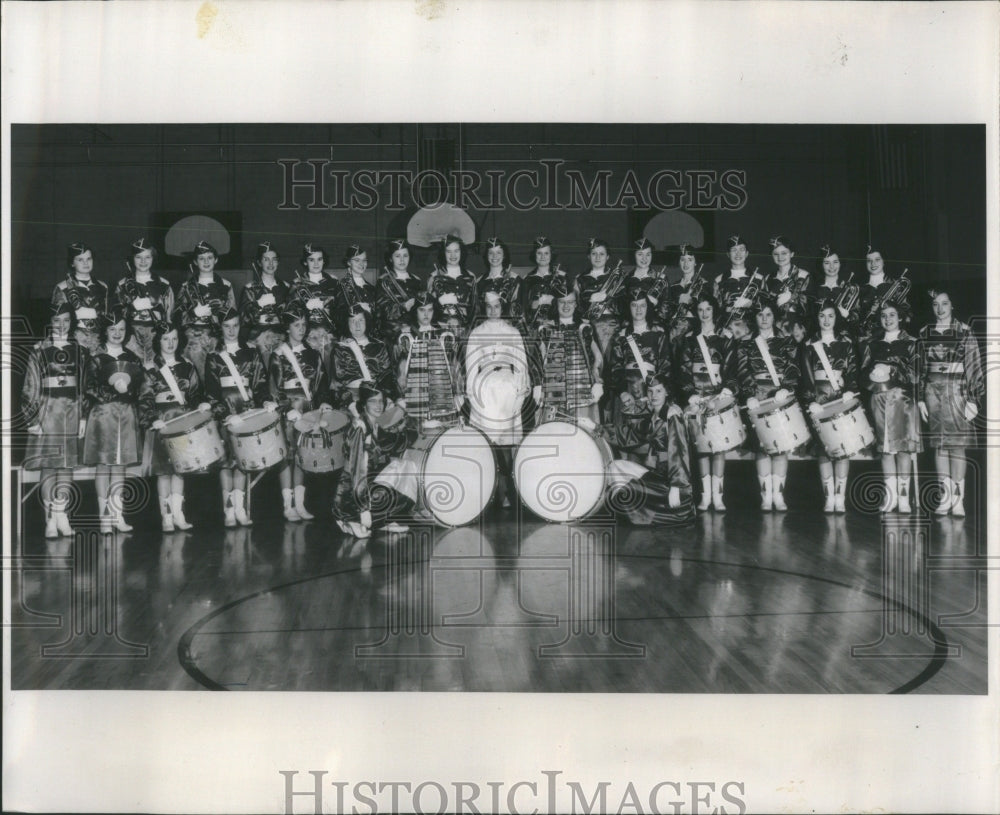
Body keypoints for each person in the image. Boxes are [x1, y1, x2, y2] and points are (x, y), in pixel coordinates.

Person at [461, 289, 540, 508]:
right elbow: (471, 365)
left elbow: (521, 364)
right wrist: (472, 394)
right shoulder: (477, 333)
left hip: (507, 390)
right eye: (489, 307)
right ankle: (491, 493)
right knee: (487, 443)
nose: (493, 311)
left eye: (497, 306)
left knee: (506, 443)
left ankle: (512, 490)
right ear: (483, 308)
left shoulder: (512, 332)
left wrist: (521, 391)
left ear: (502, 308)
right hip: (485, 389)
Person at [22, 302, 89, 538]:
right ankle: (49, 519)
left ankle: (62, 515)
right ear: (50, 324)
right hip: (48, 412)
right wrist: (33, 418)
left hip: (71, 412)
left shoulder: (79, 350)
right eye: (57, 321)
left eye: (66, 321)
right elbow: (30, 385)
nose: (62, 325)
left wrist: (83, 417)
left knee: (67, 466)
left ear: (72, 323)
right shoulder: (39, 349)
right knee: (49, 466)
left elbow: (84, 386)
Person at [204, 308, 275, 527]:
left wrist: (265, 401)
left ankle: (240, 507)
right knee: (227, 462)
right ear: (221, 328)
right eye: (227, 326)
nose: (232, 330)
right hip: (226, 413)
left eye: (235, 325)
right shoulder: (213, 357)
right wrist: (225, 414)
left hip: (247, 411)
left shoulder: (251, 353)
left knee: (243, 461)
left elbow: (261, 383)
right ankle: (228, 510)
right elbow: (211, 393)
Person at [917, 289, 983, 516]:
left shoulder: (964, 331)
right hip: (932, 393)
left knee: (958, 446)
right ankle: (944, 498)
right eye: (936, 304)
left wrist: (974, 399)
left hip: (957, 391)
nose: (940, 308)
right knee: (940, 446)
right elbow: (919, 367)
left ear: (952, 305)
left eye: (945, 303)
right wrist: (919, 399)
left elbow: (974, 365)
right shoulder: (925, 332)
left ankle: (958, 500)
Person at [138, 323, 209, 531]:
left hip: (182, 420)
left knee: (180, 470)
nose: (170, 343)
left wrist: (201, 404)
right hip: (162, 421)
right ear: (158, 341)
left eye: (174, 339)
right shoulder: (150, 368)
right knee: (163, 472)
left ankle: (178, 514)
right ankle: (166, 516)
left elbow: (195, 393)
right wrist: (152, 419)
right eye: (166, 339)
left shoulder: (187, 365)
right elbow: (144, 399)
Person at [81, 306, 146, 532]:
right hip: (103, 414)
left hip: (126, 414)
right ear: (105, 331)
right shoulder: (97, 358)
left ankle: (118, 515)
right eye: (112, 329)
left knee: (120, 466)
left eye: (121, 329)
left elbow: (140, 388)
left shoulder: (132, 358)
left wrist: (129, 394)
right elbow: (88, 388)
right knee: (103, 465)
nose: (117, 333)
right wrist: (113, 392)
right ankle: (104, 517)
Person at [732, 303, 801, 511]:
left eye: (768, 314)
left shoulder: (786, 341)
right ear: (755, 318)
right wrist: (750, 394)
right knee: (762, 449)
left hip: (780, 397)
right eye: (760, 315)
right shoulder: (746, 343)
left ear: (774, 317)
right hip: (758, 397)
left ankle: (778, 495)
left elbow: (793, 367)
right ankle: (765, 496)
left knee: (780, 448)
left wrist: (787, 387)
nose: (764, 318)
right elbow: (743, 371)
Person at [269, 304, 334, 522]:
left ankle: (300, 503)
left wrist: (324, 402)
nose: (302, 329)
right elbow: (273, 391)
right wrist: (287, 410)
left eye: (304, 325)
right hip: (288, 412)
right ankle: (288, 505)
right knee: (287, 457)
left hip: (308, 410)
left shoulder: (313, 354)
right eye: (297, 325)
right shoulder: (278, 355)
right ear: (287, 328)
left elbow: (321, 385)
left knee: (302, 457)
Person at [607, 374, 695, 526]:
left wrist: (676, 485)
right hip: (657, 475)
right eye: (650, 391)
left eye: (659, 391)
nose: (654, 395)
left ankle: (639, 511)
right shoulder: (653, 415)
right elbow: (628, 435)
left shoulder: (672, 415)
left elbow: (679, 452)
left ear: (667, 392)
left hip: (671, 482)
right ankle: (630, 508)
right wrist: (595, 427)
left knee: (628, 491)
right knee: (615, 466)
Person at [799, 303, 862, 513]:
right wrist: (811, 401)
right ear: (817, 318)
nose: (826, 320)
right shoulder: (809, 345)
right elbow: (806, 377)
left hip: (841, 398)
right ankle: (828, 498)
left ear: (836, 318)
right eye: (822, 316)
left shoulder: (846, 344)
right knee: (824, 449)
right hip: (819, 399)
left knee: (842, 449)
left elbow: (852, 370)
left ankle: (840, 497)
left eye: (830, 316)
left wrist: (850, 389)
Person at [676, 295, 737, 512]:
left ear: (714, 311)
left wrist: (728, 389)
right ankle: (705, 495)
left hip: (717, 397)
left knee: (718, 448)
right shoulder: (689, 338)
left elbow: (731, 367)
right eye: (700, 309)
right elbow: (683, 370)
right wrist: (690, 393)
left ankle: (718, 496)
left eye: (708, 309)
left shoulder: (725, 338)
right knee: (702, 448)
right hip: (697, 398)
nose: (704, 313)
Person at [333, 382, 418, 538]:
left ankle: (380, 522)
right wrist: (363, 508)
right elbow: (357, 471)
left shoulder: (377, 424)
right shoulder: (360, 428)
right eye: (373, 401)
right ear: (364, 404)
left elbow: (398, 445)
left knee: (406, 467)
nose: (378, 405)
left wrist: (403, 418)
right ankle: (350, 520)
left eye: (381, 400)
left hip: (370, 488)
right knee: (397, 479)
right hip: (352, 497)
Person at [860, 301, 921, 513]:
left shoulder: (912, 342)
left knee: (903, 449)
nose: (888, 319)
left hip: (902, 400)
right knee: (885, 450)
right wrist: (871, 374)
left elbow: (917, 375)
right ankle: (891, 496)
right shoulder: (872, 343)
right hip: (878, 399)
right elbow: (863, 373)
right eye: (884, 315)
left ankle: (904, 498)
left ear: (901, 317)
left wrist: (892, 371)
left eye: (892, 315)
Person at [604, 290, 672, 463]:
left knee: (651, 442)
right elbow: (615, 368)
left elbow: (665, 366)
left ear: (648, 308)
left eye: (642, 305)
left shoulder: (659, 335)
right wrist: (622, 392)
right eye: (634, 305)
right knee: (625, 441)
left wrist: (656, 393)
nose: (639, 310)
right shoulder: (621, 336)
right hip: (627, 393)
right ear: (629, 308)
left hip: (651, 393)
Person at [535, 278, 603, 425]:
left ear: (576, 304)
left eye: (570, 302)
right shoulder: (545, 329)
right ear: (556, 304)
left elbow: (597, 357)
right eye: (562, 302)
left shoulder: (585, 328)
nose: (566, 306)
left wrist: (597, 381)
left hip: (582, 390)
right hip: (553, 391)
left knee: (584, 435)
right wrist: (538, 385)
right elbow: (539, 359)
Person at [396, 292, 462, 429]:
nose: (426, 315)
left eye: (430, 310)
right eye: (422, 310)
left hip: (442, 397)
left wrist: (458, 393)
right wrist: (401, 396)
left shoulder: (445, 335)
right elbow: (400, 370)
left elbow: (454, 367)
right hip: (414, 399)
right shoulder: (406, 336)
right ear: (415, 311)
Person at [176, 241, 237, 379]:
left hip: (219, 335)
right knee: (196, 360)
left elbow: (233, 315)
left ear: (216, 260)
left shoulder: (226, 286)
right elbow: (176, 315)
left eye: (209, 257)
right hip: (194, 336)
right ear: (195, 262)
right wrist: (193, 313)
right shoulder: (186, 287)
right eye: (201, 258)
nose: (206, 262)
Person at [115, 238, 174, 367]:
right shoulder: (122, 285)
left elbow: (169, 317)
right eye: (138, 257)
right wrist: (131, 307)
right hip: (131, 338)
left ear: (153, 259)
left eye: (147, 257)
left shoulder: (164, 285)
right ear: (132, 259)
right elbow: (116, 317)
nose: (143, 261)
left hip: (156, 337)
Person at [332, 304, 398, 411]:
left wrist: (388, 398)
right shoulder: (340, 348)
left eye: (361, 320)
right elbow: (337, 383)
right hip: (352, 397)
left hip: (376, 396)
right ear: (347, 323)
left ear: (366, 321)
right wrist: (350, 403)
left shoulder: (379, 346)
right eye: (353, 321)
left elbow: (387, 376)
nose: (357, 325)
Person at [51, 242, 110, 354]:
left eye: (89, 259)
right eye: (80, 259)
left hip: (99, 342)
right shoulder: (63, 287)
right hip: (74, 341)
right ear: (72, 263)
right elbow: (57, 321)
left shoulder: (103, 286)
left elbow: (107, 317)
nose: (86, 263)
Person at [288, 243, 339, 368]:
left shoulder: (333, 282)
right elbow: (290, 312)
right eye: (311, 260)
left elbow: (340, 310)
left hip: (329, 337)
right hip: (307, 337)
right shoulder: (297, 284)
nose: (316, 264)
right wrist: (305, 307)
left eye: (319, 259)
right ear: (305, 262)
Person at [575, 237, 624, 355]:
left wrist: (607, 298)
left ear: (608, 257)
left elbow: (623, 305)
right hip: (588, 326)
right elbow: (576, 306)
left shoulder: (617, 277)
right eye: (594, 254)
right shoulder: (580, 279)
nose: (597, 257)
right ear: (588, 256)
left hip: (611, 326)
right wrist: (590, 300)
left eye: (601, 254)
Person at [427, 234, 478, 338]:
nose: (453, 255)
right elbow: (427, 310)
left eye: (456, 251)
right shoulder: (434, 277)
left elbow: (475, 309)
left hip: (465, 332)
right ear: (443, 253)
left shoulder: (470, 277)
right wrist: (439, 302)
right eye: (448, 251)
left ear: (461, 252)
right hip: (441, 331)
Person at [239, 240, 291, 340]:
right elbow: (243, 321)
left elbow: (291, 319)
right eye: (266, 259)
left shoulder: (286, 287)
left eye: (274, 259)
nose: (271, 263)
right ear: (259, 262)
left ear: (278, 262)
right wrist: (258, 305)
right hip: (258, 338)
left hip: (281, 338)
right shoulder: (250, 288)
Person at [376, 237, 424, 347]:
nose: (402, 260)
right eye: (397, 256)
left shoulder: (416, 280)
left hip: (415, 332)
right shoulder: (383, 280)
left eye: (405, 256)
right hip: (393, 335)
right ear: (390, 259)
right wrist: (403, 307)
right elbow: (381, 311)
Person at [857, 245, 910, 339]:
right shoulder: (860, 289)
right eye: (869, 261)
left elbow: (907, 314)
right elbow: (856, 317)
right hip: (867, 338)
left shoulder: (896, 285)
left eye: (877, 259)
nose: (873, 264)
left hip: (892, 336)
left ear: (883, 261)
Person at [330, 244, 381, 341]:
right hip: (350, 339)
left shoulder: (371, 288)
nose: (361, 264)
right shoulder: (341, 286)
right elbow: (337, 316)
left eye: (364, 260)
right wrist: (358, 308)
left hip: (371, 338)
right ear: (349, 262)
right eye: (357, 260)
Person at [762, 236, 811, 335]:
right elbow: (765, 307)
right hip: (774, 330)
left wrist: (792, 299)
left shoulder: (803, 275)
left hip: (797, 330)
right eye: (776, 254)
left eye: (784, 253)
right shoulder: (768, 278)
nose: (780, 257)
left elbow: (809, 308)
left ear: (792, 254)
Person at [520, 236, 567, 331]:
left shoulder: (562, 277)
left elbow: (570, 303)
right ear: (534, 255)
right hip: (534, 327)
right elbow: (523, 308)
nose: (543, 257)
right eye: (539, 253)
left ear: (551, 255)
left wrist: (553, 301)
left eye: (546, 253)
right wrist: (534, 304)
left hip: (557, 326)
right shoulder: (527, 279)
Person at [808, 245, 858, 332]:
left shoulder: (849, 289)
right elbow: (810, 318)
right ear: (821, 264)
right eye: (827, 263)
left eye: (835, 262)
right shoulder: (814, 289)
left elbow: (857, 317)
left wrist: (848, 316)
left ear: (840, 263)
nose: (832, 267)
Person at [477, 237, 523, 325]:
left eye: (498, 252)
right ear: (486, 255)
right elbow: (478, 312)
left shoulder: (514, 280)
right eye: (491, 253)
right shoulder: (479, 282)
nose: (494, 256)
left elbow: (518, 311)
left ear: (504, 255)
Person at [714, 234, 758, 324]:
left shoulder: (759, 278)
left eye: (741, 249)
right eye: (734, 250)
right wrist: (728, 309)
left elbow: (767, 308)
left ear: (747, 253)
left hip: (753, 328)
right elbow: (715, 310)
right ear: (728, 254)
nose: (738, 253)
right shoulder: (719, 280)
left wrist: (750, 304)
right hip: (728, 328)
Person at [626, 237, 671, 324]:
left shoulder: (661, 278)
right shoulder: (626, 278)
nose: (644, 258)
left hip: (654, 324)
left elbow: (668, 309)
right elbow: (621, 307)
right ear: (634, 255)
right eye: (640, 254)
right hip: (631, 324)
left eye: (648, 254)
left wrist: (657, 304)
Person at [666, 244, 703, 345]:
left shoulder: (703, 284)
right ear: (679, 262)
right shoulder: (673, 286)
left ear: (695, 263)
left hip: (693, 331)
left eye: (690, 259)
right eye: (682, 259)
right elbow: (668, 311)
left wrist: (690, 302)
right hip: (673, 331)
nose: (686, 263)